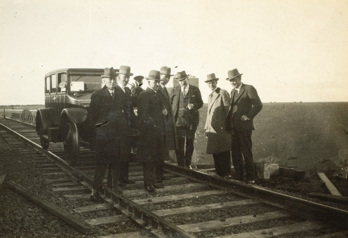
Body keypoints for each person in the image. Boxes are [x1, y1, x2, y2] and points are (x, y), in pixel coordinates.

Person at [87, 67, 122, 201]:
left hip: (116, 135)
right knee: (101, 164)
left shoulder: (120, 94)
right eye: (109, 79)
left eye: (114, 79)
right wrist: (96, 133)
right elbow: (91, 118)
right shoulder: (97, 95)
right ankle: (95, 190)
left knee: (115, 162)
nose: (112, 81)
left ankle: (114, 187)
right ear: (104, 80)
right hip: (102, 135)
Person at [226, 68, 263, 183]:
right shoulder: (232, 92)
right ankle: (239, 176)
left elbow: (258, 105)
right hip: (234, 127)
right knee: (236, 153)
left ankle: (251, 177)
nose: (233, 82)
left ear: (239, 78)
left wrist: (248, 116)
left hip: (244, 127)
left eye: (234, 79)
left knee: (246, 152)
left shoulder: (249, 89)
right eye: (231, 80)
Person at [137, 70, 167, 192]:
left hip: (157, 133)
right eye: (155, 82)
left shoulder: (157, 95)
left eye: (158, 82)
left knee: (155, 158)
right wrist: (154, 125)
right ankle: (148, 183)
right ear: (148, 81)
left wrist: (164, 113)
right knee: (148, 159)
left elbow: (159, 112)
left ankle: (153, 181)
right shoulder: (144, 95)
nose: (157, 84)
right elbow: (143, 116)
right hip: (148, 133)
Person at [171, 71, 203, 169]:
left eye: (183, 80)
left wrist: (193, 105)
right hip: (179, 121)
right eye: (179, 81)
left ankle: (188, 163)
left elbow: (200, 103)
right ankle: (181, 164)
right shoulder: (175, 90)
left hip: (191, 121)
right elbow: (171, 103)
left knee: (189, 141)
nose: (181, 82)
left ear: (187, 79)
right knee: (179, 143)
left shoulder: (195, 90)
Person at [204, 73, 232, 178]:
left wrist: (225, 126)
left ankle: (227, 173)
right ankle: (219, 173)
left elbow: (227, 111)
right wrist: (206, 127)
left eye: (213, 82)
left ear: (216, 82)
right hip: (212, 128)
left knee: (224, 151)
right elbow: (209, 113)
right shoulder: (210, 96)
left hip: (222, 128)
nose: (211, 84)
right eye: (209, 83)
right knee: (215, 151)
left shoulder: (223, 93)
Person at [114, 65, 136, 186]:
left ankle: (125, 177)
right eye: (124, 76)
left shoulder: (127, 91)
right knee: (118, 153)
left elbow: (130, 109)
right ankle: (117, 179)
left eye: (128, 77)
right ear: (118, 77)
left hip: (127, 127)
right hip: (117, 128)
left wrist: (135, 123)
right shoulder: (115, 90)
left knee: (126, 152)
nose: (126, 79)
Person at [157, 66, 177, 181]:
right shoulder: (158, 88)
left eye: (169, 77)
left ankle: (161, 171)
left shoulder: (164, 89)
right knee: (160, 149)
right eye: (165, 76)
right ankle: (158, 173)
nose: (167, 79)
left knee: (163, 148)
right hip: (160, 123)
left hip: (165, 123)